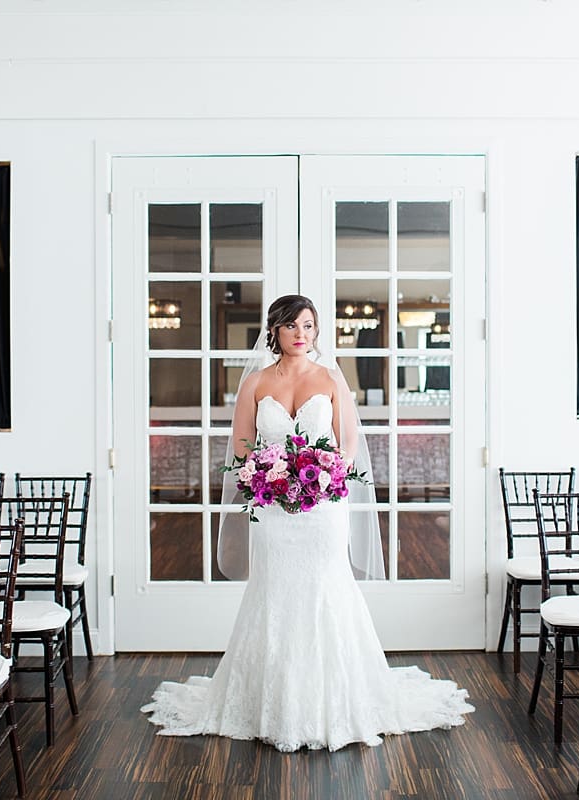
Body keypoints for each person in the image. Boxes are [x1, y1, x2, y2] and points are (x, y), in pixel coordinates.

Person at [142, 294, 474, 752]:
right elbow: (241, 448)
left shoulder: (331, 378)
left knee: (327, 591)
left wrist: (327, 476)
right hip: (274, 514)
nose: (303, 334)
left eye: (310, 326)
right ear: (275, 329)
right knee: (274, 594)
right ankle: (269, 703)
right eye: (294, 325)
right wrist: (263, 477)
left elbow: (349, 444)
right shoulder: (256, 383)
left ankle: (334, 702)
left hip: (322, 510)